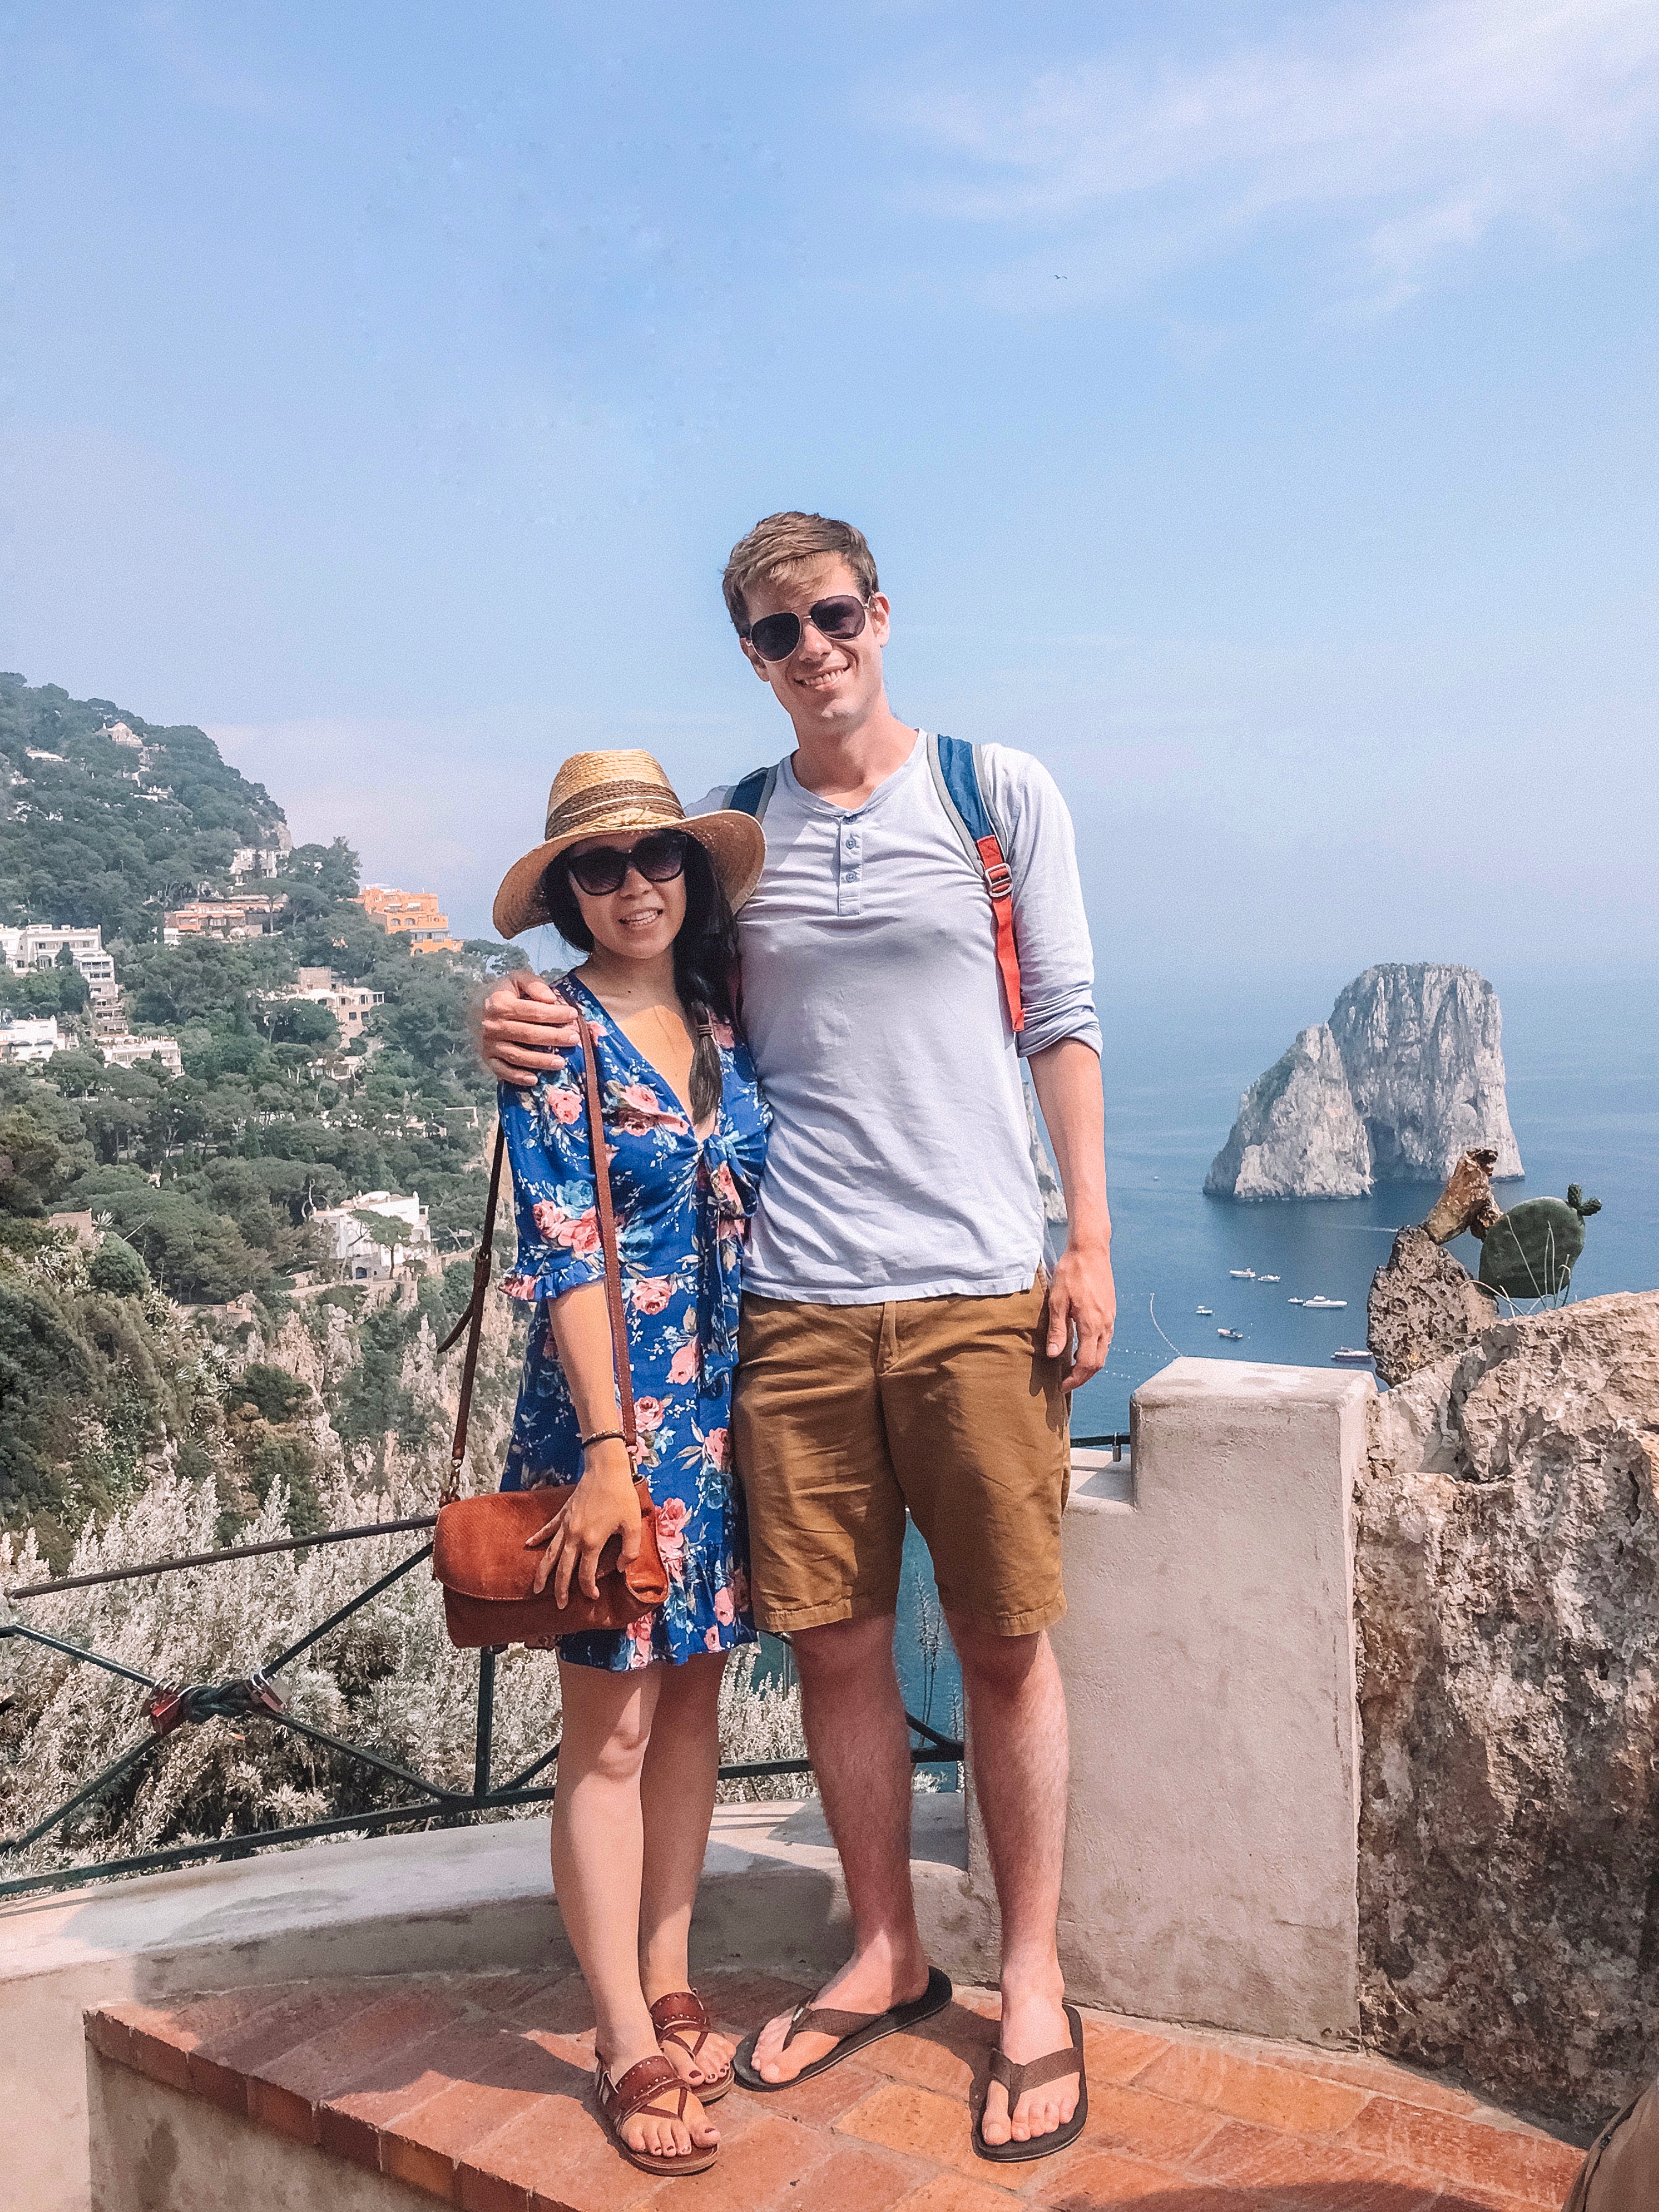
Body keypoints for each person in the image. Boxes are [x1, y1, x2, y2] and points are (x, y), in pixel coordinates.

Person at [480, 512, 1115, 2161]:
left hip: (979, 1286)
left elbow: (1062, 1019)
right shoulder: (734, 841)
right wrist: (507, 1011)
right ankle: (884, 1949)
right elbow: (606, 1035)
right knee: (833, 1645)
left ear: (880, 615)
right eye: (778, 631)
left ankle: (1028, 1977)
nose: (813, 646)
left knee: (1001, 1643)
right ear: (750, 657)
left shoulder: (995, 796)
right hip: (793, 1318)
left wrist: (1090, 1240)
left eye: (834, 614)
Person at [490, 749, 770, 2178]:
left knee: (692, 1715)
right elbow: (566, 1255)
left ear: (692, 870)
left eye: (656, 857)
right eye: (599, 869)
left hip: (724, 1426)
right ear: (566, 896)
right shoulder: (554, 1037)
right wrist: (606, 1454)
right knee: (606, 1732)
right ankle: (621, 2034)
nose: (633, 886)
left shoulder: (726, 1016)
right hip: (615, 1431)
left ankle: (668, 1967)